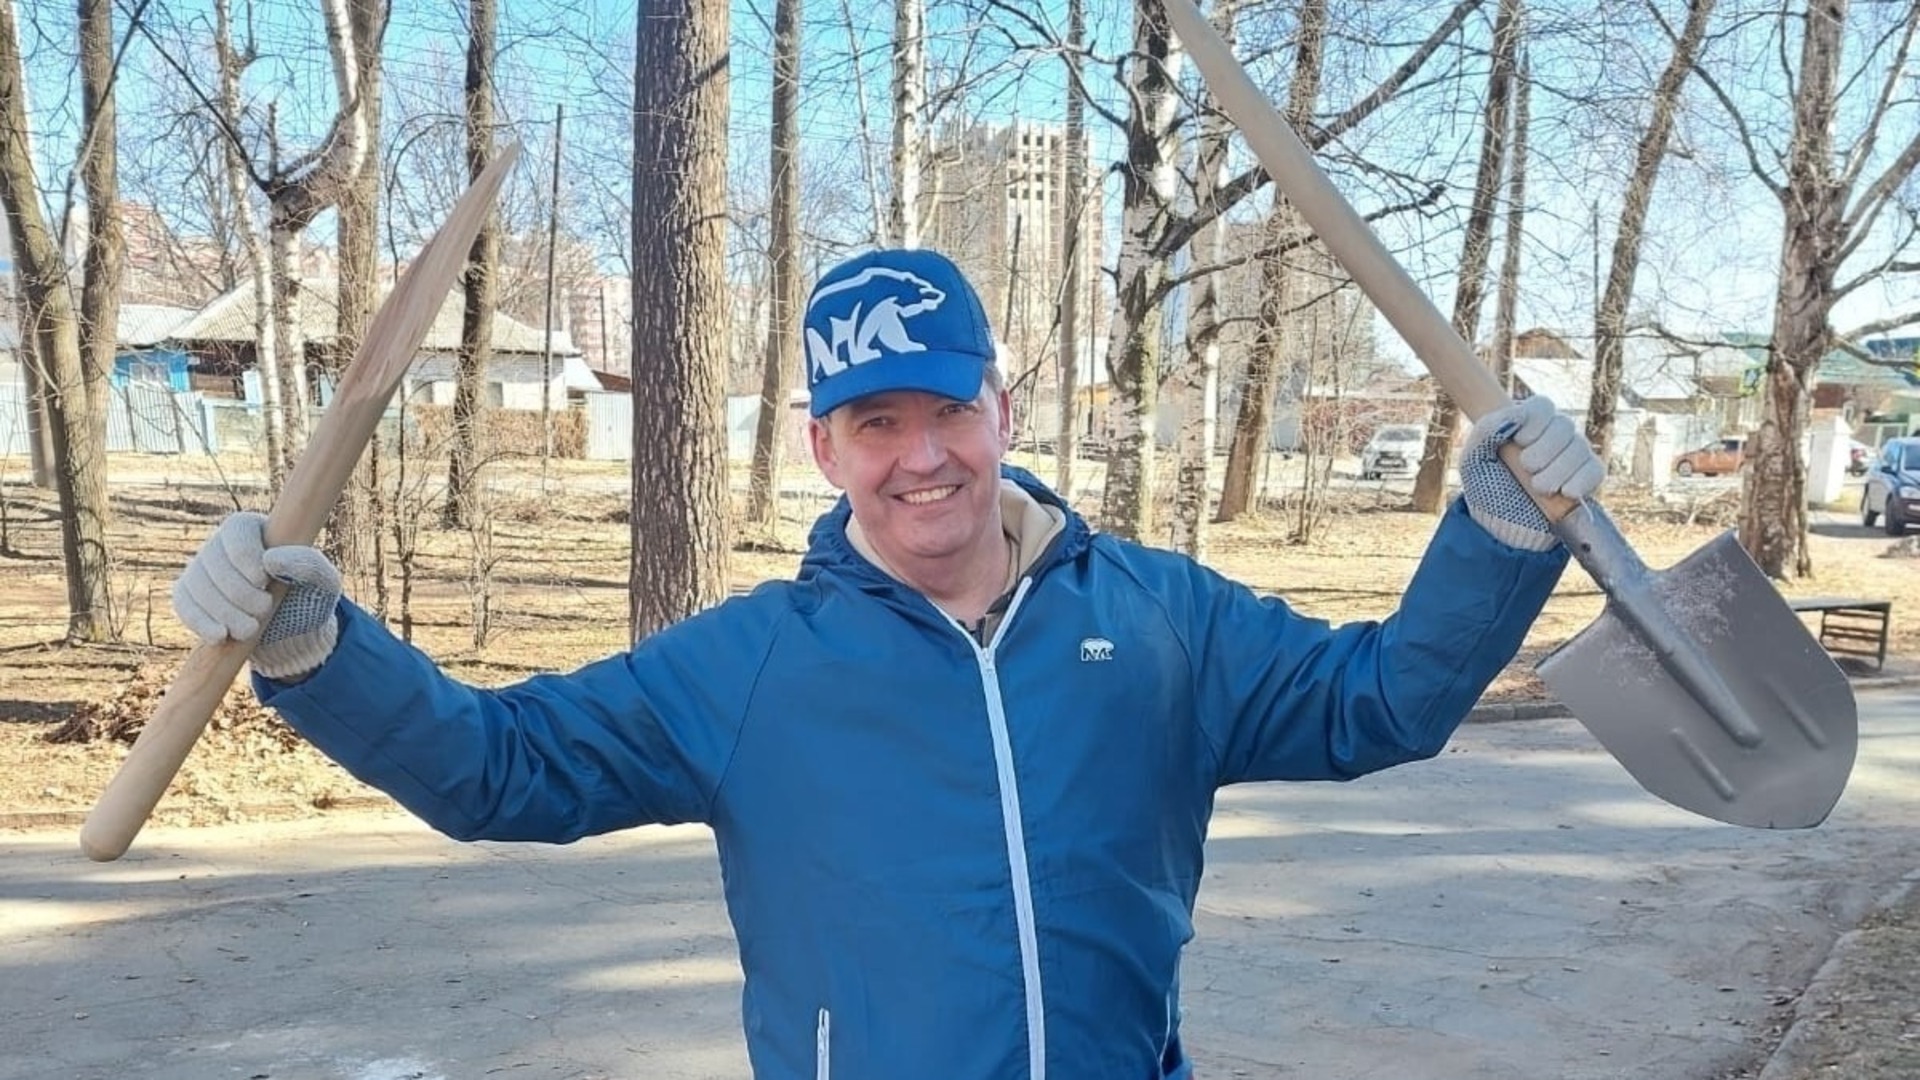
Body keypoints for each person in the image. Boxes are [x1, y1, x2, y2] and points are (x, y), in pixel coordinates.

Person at [173, 248, 1605, 1080]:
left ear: (1001, 408)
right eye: (875, 423)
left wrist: (1495, 531)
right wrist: (318, 652)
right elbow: (502, 771)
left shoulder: (1161, 622)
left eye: (946, 410)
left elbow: (1383, 700)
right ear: (823, 446)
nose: (922, 457)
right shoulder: (751, 667)